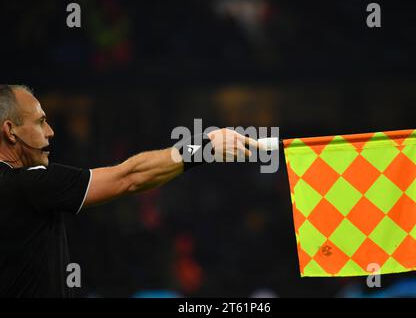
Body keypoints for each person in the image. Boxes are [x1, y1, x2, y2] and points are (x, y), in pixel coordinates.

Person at [0, 84, 258, 297]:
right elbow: (129, 177)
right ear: (10, 131)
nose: (50, 131)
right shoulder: (29, 184)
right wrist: (206, 146)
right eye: (41, 122)